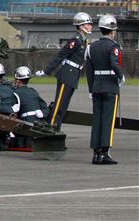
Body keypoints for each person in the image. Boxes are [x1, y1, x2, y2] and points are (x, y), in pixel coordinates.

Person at [35, 12, 91, 130]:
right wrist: (46, 71)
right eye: (88, 24)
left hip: (73, 74)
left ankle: (57, 126)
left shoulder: (84, 40)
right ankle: (51, 125)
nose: (90, 26)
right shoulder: (75, 41)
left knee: (64, 104)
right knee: (60, 102)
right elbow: (60, 56)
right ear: (81, 26)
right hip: (67, 74)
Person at [85, 14, 124, 165]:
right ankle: (104, 153)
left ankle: (96, 153)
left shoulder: (91, 47)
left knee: (97, 120)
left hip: (96, 87)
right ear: (112, 31)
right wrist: (121, 77)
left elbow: (89, 71)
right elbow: (114, 64)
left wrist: (90, 89)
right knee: (107, 121)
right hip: (110, 86)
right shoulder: (113, 46)